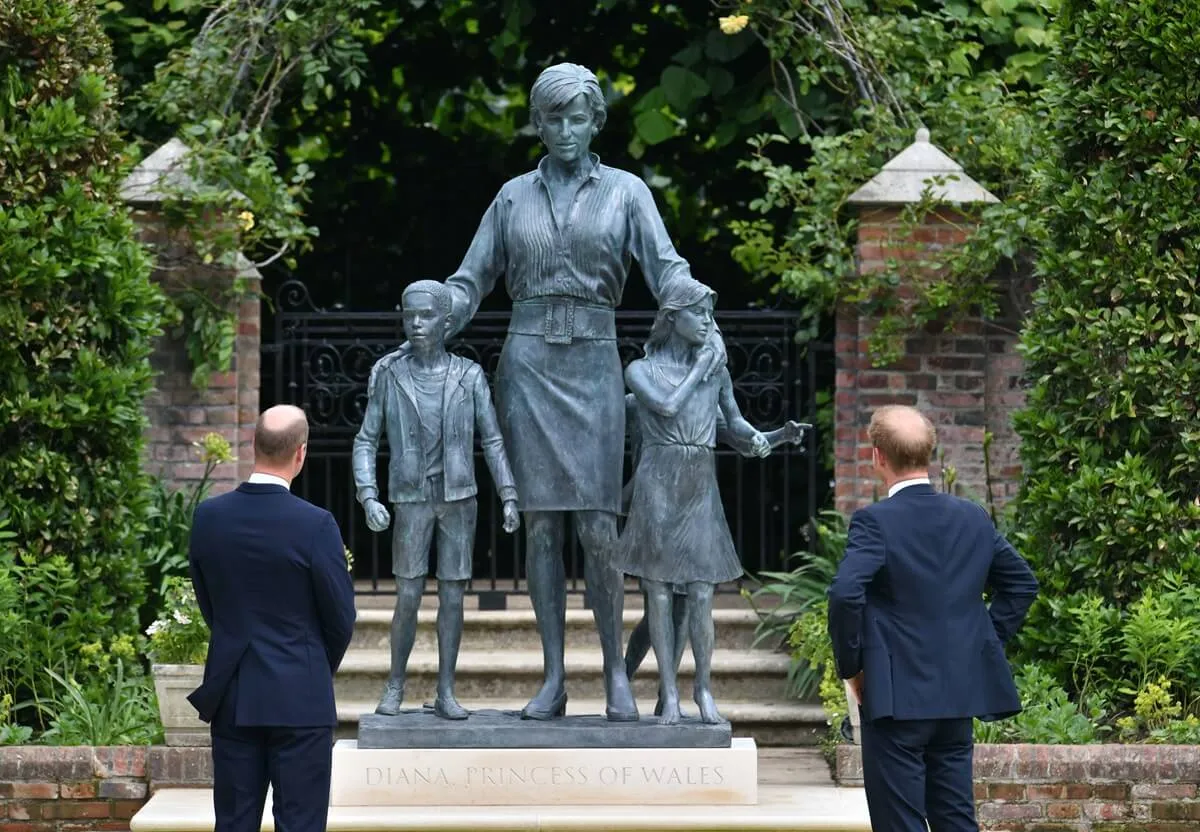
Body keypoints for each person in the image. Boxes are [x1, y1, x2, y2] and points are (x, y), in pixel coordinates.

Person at [370, 62, 724, 722]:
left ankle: (616, 672)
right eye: (552, 118)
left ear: (596, 122)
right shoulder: (512, 197)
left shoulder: (626, 192)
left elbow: (667, 269)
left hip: (593, 365)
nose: (564, 129)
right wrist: (432, 311)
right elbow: (470, 280)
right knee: (539, 529)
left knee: (597, 524)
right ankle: (554, 676)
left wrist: (701, 316)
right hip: (528, 368)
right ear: (538, 123)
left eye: (577, 117)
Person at [827, 405, 1039, 832]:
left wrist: (853, 668)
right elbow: (1021, 583)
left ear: (877, 457)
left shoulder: (874, 522)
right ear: (930, 453)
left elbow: (845, 593)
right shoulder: (972, 517)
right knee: (956, 820)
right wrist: (982, 644)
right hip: (957, 695)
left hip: (895, 700)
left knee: (900, 823)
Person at [615, 278, 792, 725]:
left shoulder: (717, 374)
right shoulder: (641, 370)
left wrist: (776, 437)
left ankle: (704, 691)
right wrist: (701, 370)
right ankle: (669, 694)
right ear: (673, 318)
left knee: (700, 594)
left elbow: (737, 430)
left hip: (698, 484)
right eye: (701, 314)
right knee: (657, 593)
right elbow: (668, 407)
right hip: (657, 482)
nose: (709, 323)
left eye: (712, 315)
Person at [352, 280, 520, 720]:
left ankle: (446, 689)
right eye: (409, 315)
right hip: (411, 498)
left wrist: (508, 494)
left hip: (459, 498)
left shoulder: (468, 375)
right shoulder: (390, 375)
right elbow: (366, 441)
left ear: (447, 322)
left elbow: (494, 440)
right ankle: (396, 683)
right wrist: (368, 495)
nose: (417, 324)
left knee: (453, 596)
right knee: (407, 596)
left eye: (426, 316)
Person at [187, 405, 356, 832]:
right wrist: (311, 663)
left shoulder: (209, 518)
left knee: (234, 824)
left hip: (234, 693)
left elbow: (210, 603)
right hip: (300, 697)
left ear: (252, 445)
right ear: (301, 453)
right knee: (300, 824)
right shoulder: (316, 525)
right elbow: (340, 617)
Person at [621, 394, 809, 717]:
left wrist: (781, 436)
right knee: (657, 611)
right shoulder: (637, 399)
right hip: (654, 506)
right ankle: (624, 677)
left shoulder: (703, 402)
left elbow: (743, 440)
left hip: (692, 507)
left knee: (684, 604)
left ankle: (667, 695)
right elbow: (607, 444)